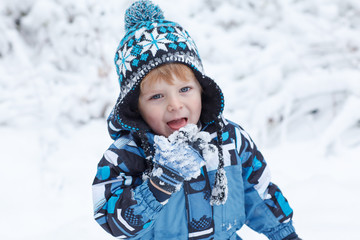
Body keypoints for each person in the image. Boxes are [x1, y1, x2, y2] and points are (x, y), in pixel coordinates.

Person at [92, 0, 301, 239]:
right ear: (135, 106)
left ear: (201, 89)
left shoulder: (229, 140)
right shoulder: (126, 156)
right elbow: (113, 222)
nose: (175, 104)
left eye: (184, 90)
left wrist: (285, 234)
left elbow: (259, 194)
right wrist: (160, 183)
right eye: (157, 96)